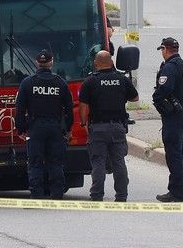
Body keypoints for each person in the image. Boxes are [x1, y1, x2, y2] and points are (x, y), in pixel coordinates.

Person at [79, 50, 139, 202]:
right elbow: (135, 97)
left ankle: (97, 195)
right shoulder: (121, 79)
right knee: (118, 161)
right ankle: (121, 195)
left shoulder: (90, 81)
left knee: (98, 162)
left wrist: (84, 123)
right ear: (112, 63)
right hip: (118, 127)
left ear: (95, 64)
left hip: (98, 127)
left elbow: (83, 106)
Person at [14, 49, 73, 199]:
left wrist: (20, 129)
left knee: (35, 163)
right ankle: (57, 194)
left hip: (35, 127)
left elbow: (20, 109)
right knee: (56, 162)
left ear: (37, 63)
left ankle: (37, 195)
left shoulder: (27, 83)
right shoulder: (60, 82)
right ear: (51, 62)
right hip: (55, 127)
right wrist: (68, 128)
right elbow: (69, 108)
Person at [152, 37, 183, 202]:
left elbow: (165, 89)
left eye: (162, 50)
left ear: (165, 49)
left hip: (175, 115)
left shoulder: (169, 67)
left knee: (174, 154)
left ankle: (176, 191)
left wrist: (156, 97)